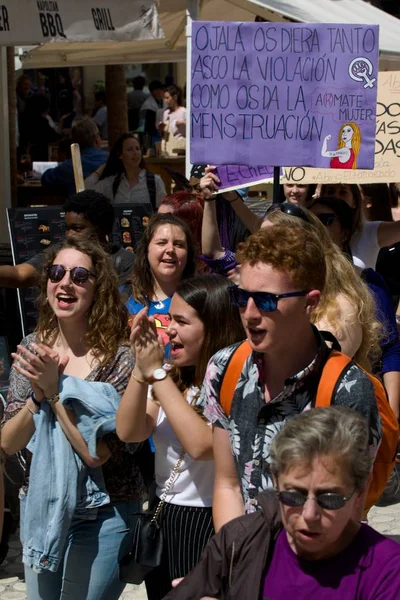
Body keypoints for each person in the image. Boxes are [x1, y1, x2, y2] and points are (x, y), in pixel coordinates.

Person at [201, 225, 381, 531]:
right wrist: (234, 562)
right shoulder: (224, 367)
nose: (250, 313)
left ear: (310, 302)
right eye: (241, 297)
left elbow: (348, 507)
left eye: (267, 300)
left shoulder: (346, 390)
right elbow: (228, 484)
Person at [1, 236, 145, 599]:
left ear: (98, 289)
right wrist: (37, 395)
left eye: (80, 276)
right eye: (57, 272)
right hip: (42, 506)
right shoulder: (33, 349)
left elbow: (98, 454)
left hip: (107, 510)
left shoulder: (120, 358)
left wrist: (53, 391)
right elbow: (8, 441)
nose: (66, 282)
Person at [163, 407, 400, 600]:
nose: (309, 514)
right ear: (275, 481)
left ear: (360, 490)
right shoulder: (243, 540)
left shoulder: (387, 571)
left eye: (329, 498)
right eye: (294, 495)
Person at [116, 275, 245, 600]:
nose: (169, 329)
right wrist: (141, 370)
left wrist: (157, 372)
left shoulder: (234, 379)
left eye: (182, 321)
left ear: (213, 326)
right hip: (165, 515)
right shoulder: (173, 379)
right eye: (169, 319)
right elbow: (129, 430)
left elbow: (202, 445)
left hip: (209, 520)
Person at [310, 196, 400, 422]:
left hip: (353, 408)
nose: (318, 226)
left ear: (345, 233)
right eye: (310, 220)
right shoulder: (290, 284)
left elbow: (390, 349)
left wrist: (393, 413)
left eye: (326, 219)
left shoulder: (369, 284)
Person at [264, 202, 381, 372]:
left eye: (274, 244)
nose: (263, 252)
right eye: (259, 242)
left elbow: (316, 372)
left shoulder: (339, 306)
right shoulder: (263, 297)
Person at [0, 191, 134, 288]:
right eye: (67, 228)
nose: (69, 234)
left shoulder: (125, 261)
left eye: (77, 228)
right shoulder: (58, 253)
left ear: (102, 229)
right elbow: (19, 274)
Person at [125, 213, 197, 351]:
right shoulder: (122, 297)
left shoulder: (200, 300)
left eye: (179, 244)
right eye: (161, 243)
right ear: (146, 250)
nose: (170, 249)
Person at [318, 182, 400, 269]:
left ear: (354, 201)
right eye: (330, 192)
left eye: (343, 192)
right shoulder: (313, 231)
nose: (336, 196)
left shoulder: (369, 232)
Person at [85, 133, 166, 210]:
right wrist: (104, 166)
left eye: (137, 149)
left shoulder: (155, 181)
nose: (135, 153)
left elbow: (164, 213)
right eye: (130, 149)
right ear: (120, 155)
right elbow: (87, 187)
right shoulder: (112, 183)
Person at [41, 117, 109, 196]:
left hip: (79, 206)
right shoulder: (110, 159)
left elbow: (46, 178)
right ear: (96, 139)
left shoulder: (69, 165)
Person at [160, 85, 186, 156]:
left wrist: (182, 123)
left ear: (175, 97)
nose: (166, 101)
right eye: (164, 98)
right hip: (168, 148)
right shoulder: (166, 113)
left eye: (167, 98)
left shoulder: (184, 112)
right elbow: (164, 133)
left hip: (180, 148)